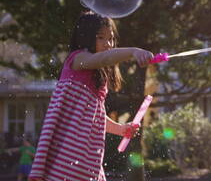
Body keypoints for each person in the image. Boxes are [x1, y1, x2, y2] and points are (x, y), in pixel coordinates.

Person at [29, 12, 153, 181]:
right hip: (68, 153)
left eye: (111, 38)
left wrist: (121, 129)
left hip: (87, 157)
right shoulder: (77, 60)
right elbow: (103, 58)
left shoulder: (97, 81)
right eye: (101, 37)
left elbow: (97, 116)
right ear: (84, 37)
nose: (108, 44)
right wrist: (132, 52)